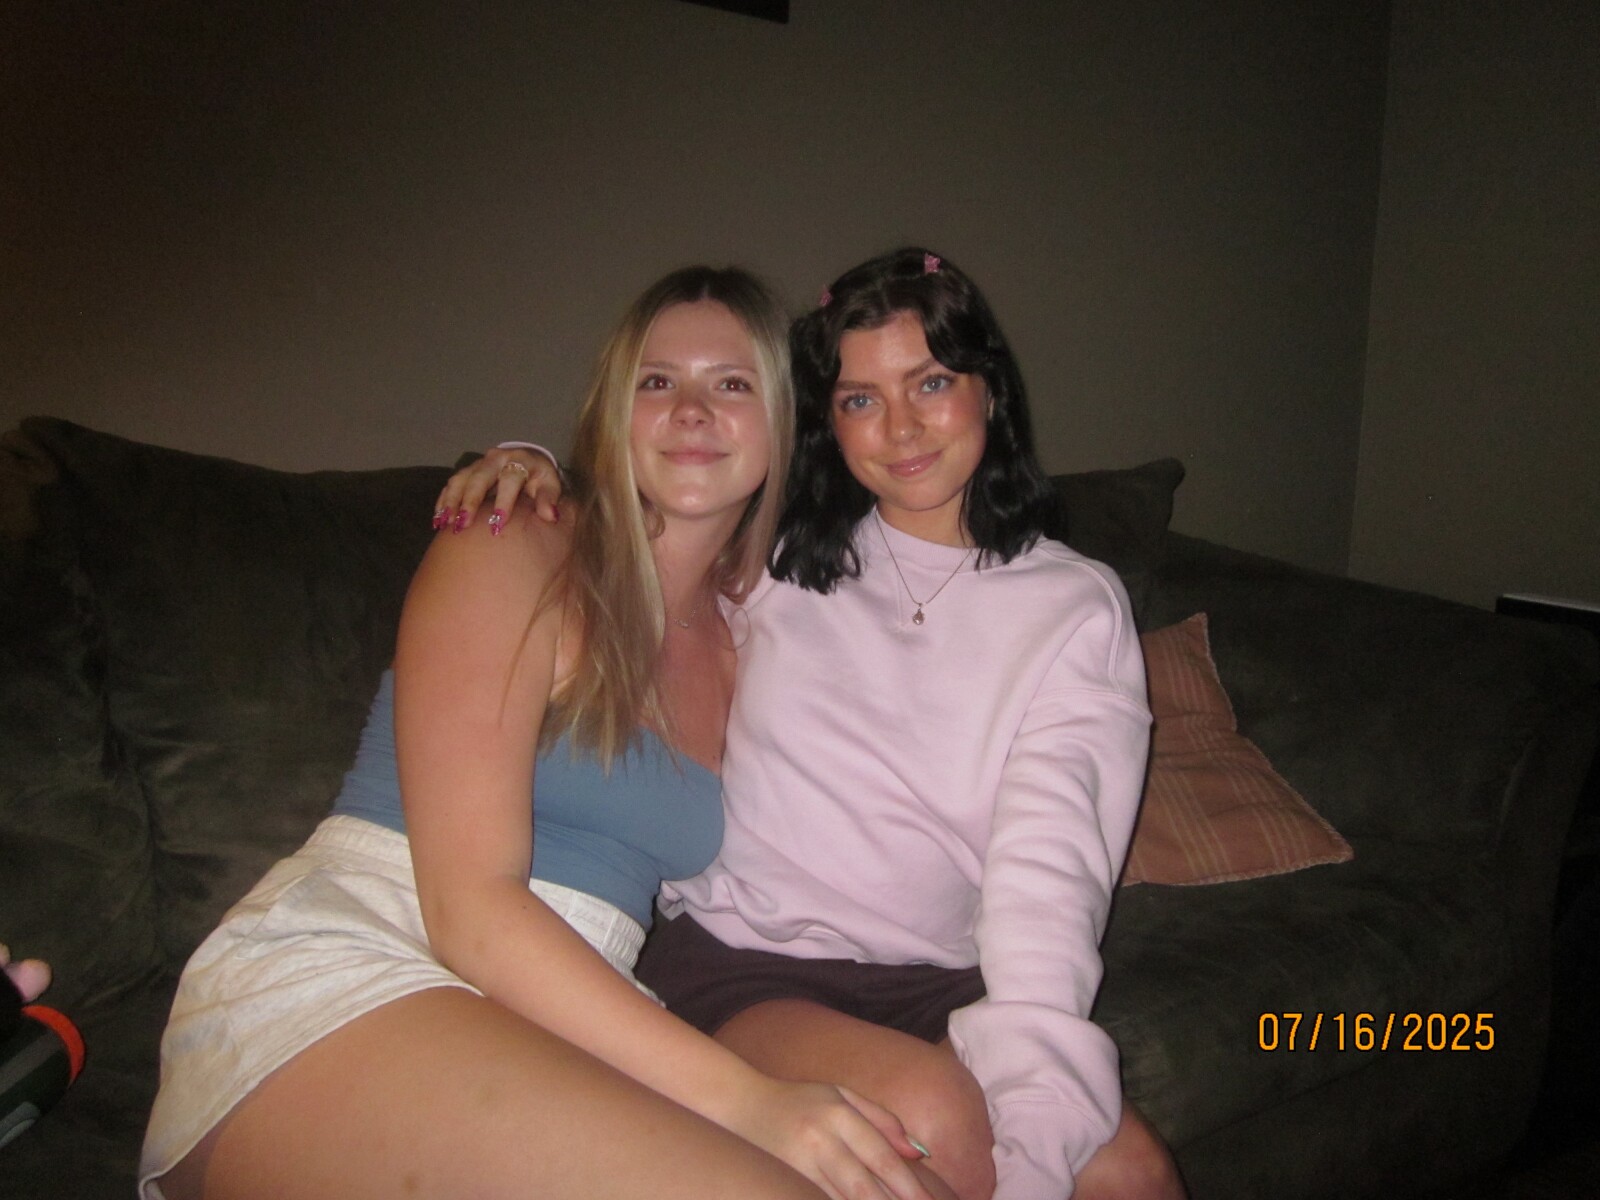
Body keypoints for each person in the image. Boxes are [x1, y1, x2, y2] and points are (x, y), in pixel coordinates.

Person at [138, 267, 941, 1200]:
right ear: (614, 412)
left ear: (784, 421)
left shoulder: (753, 636)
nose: (690, 410)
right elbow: (470, 907)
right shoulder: (511, 542)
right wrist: (752, 1101)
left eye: (732, 383)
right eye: (656, 381)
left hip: (574, 1014)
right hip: (371, 954)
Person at [440, 248, 1187, 1200]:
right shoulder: (776, 556)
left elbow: (1054, 870)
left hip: (941, 978)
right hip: (746, 964)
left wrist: (1040, 1107)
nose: (902, 427)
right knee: (927, 1119)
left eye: (931, 382)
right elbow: (645, 520)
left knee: (1133, 1175)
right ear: (828, 422)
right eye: (861, 399)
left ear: (990, 391)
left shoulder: (1072, 607)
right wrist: (533, 465)